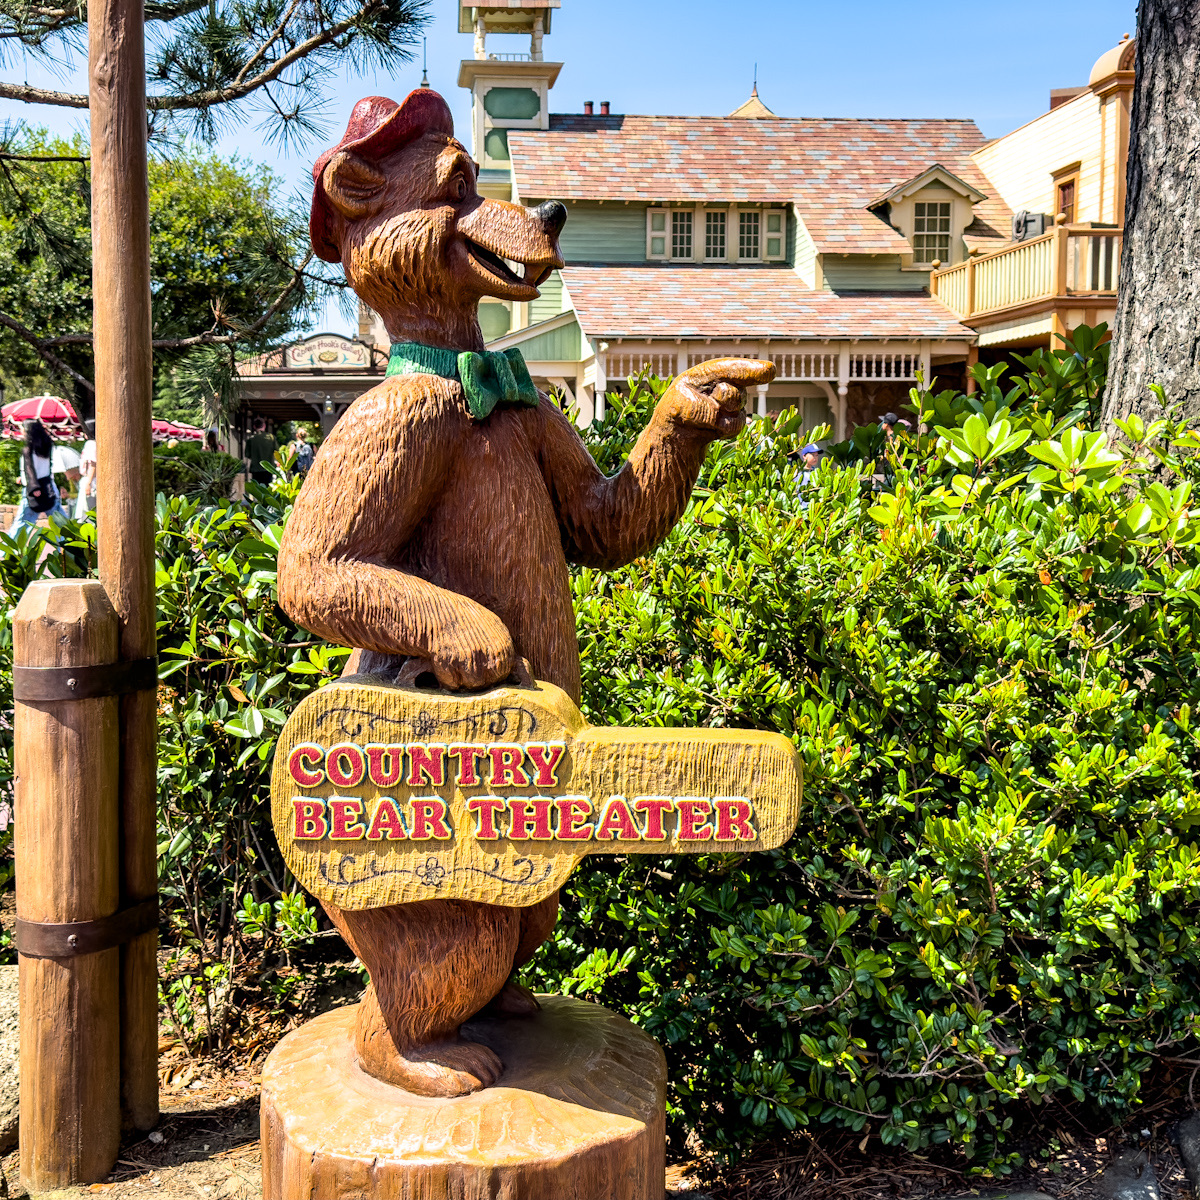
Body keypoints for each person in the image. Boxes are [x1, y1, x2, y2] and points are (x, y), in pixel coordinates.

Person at [10, 420, 66, 532]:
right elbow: (45, 468)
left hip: (33, 489)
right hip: (48, 487)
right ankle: (68, 546)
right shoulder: (45, 447)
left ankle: (8, 550)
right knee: (60, 522)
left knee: (22, 523)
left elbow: (30, 468)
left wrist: (34, 486)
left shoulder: (29, 449)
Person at [75, 418, 97, 519]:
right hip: (92, 479)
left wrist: (88, 483)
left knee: (86, 513)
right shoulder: (96, 443)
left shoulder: (91, 444)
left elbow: (93, 464)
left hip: (90, 479)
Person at [246, 418, 277, 486]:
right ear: (264, 426)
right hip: (268, 468)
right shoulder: (272, 438)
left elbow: (247, 454)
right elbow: (276, 451)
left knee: (257, 489)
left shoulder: (251, 439)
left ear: (254, 426)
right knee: (267, 489)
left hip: (255, 468)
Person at [795, 442, 822, 511]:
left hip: (813, 507)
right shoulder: (798, 472)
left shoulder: (816, 472)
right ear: (804, 456)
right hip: (801, 507)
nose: (815, 458)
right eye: (812, 455)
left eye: (816, 455)